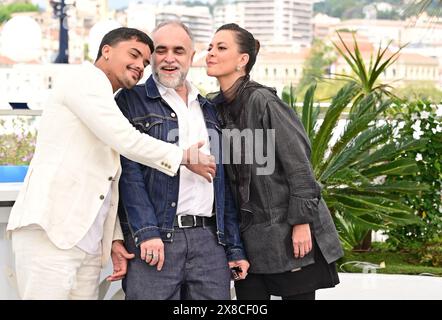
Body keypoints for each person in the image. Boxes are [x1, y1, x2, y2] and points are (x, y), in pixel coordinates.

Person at [7, 27, 215, 300]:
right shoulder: (84, 80)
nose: (140, 65)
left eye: (143, 61)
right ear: (106, 50)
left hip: (89, 243)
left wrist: (114, 239)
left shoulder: (109, 102)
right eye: (134, 54)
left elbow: (111, 181)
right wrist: (184, 157)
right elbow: (126, 139)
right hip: (51, 233)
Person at [206, 23, 344, 300]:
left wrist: (302, 223)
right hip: (246, 238)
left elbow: (299, 165)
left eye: (221, 48)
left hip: (288, 231)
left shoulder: (263, 101)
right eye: (210, 47)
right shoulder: (213, 107)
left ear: (242, 60)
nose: (210, 53)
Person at [115, 21, 249, 300]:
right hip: (157, 239)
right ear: (150, 56)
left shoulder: (209, 108)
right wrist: (147, 232)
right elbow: (129, 174)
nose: (169, 58)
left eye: (178, 50)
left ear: (191, 56)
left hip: (210, 242)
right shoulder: (130, 101)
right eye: (160, 50)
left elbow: (223, 185)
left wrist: (234, 248)